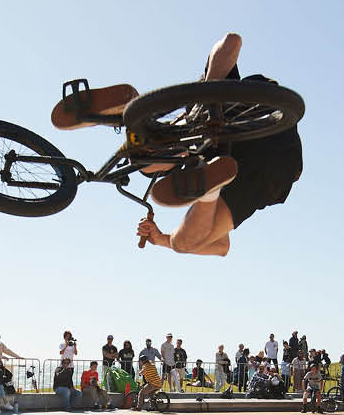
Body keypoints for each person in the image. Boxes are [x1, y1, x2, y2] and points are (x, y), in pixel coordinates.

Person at [107, 34, 301, 256]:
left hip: (259, 141)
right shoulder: (203, 167)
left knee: (183, 242)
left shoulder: (193, 139)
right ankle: (210, 190)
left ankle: (207, 187)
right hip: (271, 153)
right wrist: (161, 239)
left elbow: (231, 42)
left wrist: (161, 240)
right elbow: (232, 40)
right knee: (185, 239)